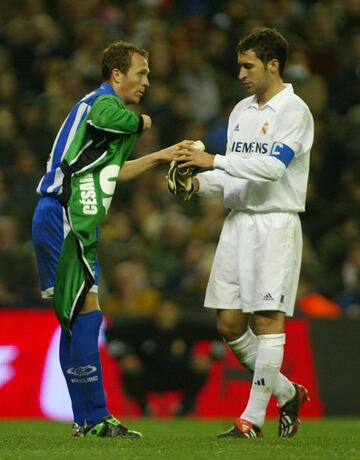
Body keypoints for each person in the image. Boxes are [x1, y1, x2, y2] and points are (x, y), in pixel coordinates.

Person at [32, 40, 190, 439]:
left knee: (76, 319)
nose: (147, 82)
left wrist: (159, 156)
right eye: (141, 73)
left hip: (63, 217)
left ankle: (86, 419)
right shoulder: (102, 103)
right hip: (67, 215)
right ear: (117, 74)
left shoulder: (98, 120)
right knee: (87, 312)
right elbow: (111, 116)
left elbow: (114, 172)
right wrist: (144, 123)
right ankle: (96, 416)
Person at [173, 28, 314, 438]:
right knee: (230, 325)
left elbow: (272, 169)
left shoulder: (294, 111)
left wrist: (211, 160)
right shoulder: (240, 112)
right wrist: (199, 184)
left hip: (276, 223)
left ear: (273, 65)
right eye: (239, 66)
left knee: (268, 320)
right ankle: (287, 393)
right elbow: (233, 178)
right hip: (238, 222)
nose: (241, 74)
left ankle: (250, 420)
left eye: (248, 65)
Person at [106, 298, 223, 416]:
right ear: (155, 313)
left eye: (170, 311)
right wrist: (122, 355)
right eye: (162, 311)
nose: (166, 315)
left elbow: (221, 334)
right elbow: (109, 334)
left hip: (180, 374)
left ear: (177, 313)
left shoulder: (189, 327)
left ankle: (184, 407)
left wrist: (212, 357)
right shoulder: (141, 328)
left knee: (201, 369)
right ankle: (144, 408)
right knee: (129, 370)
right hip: (148, 373)